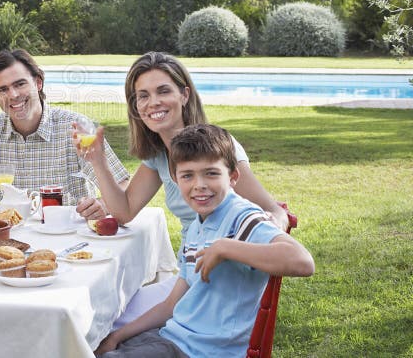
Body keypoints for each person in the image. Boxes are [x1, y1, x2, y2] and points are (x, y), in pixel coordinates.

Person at [79, 51, 290, 323]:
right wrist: (97, 162)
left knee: (106, 317)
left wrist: (274, 225)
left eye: (163, 91)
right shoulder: (158, 155)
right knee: (105, 311)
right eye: (142, 95)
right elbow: (125, 211)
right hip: (188, 275)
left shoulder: (215, 149)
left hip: (214, 282)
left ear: (184, 95)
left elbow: (271, 210)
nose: (153, 102)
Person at [95, 124, 314, 357]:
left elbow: (303, 262)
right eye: (187, 175)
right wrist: (117, 336)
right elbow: (171, 306)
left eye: (211, 173)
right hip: (172, 337)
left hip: (203, 351)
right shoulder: (198, 226)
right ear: (176, 180)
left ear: (233, 177)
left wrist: (225, 247)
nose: (199, 185)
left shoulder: (242, 217)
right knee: (94, 344)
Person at [0, 49, 129, 220]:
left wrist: (104, 204)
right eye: (3, 90)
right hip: (12, 242)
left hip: (70, 241)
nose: (13, 95)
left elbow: (123, 185)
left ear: (38, 83)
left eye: (20, 84)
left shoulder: (75, 127)